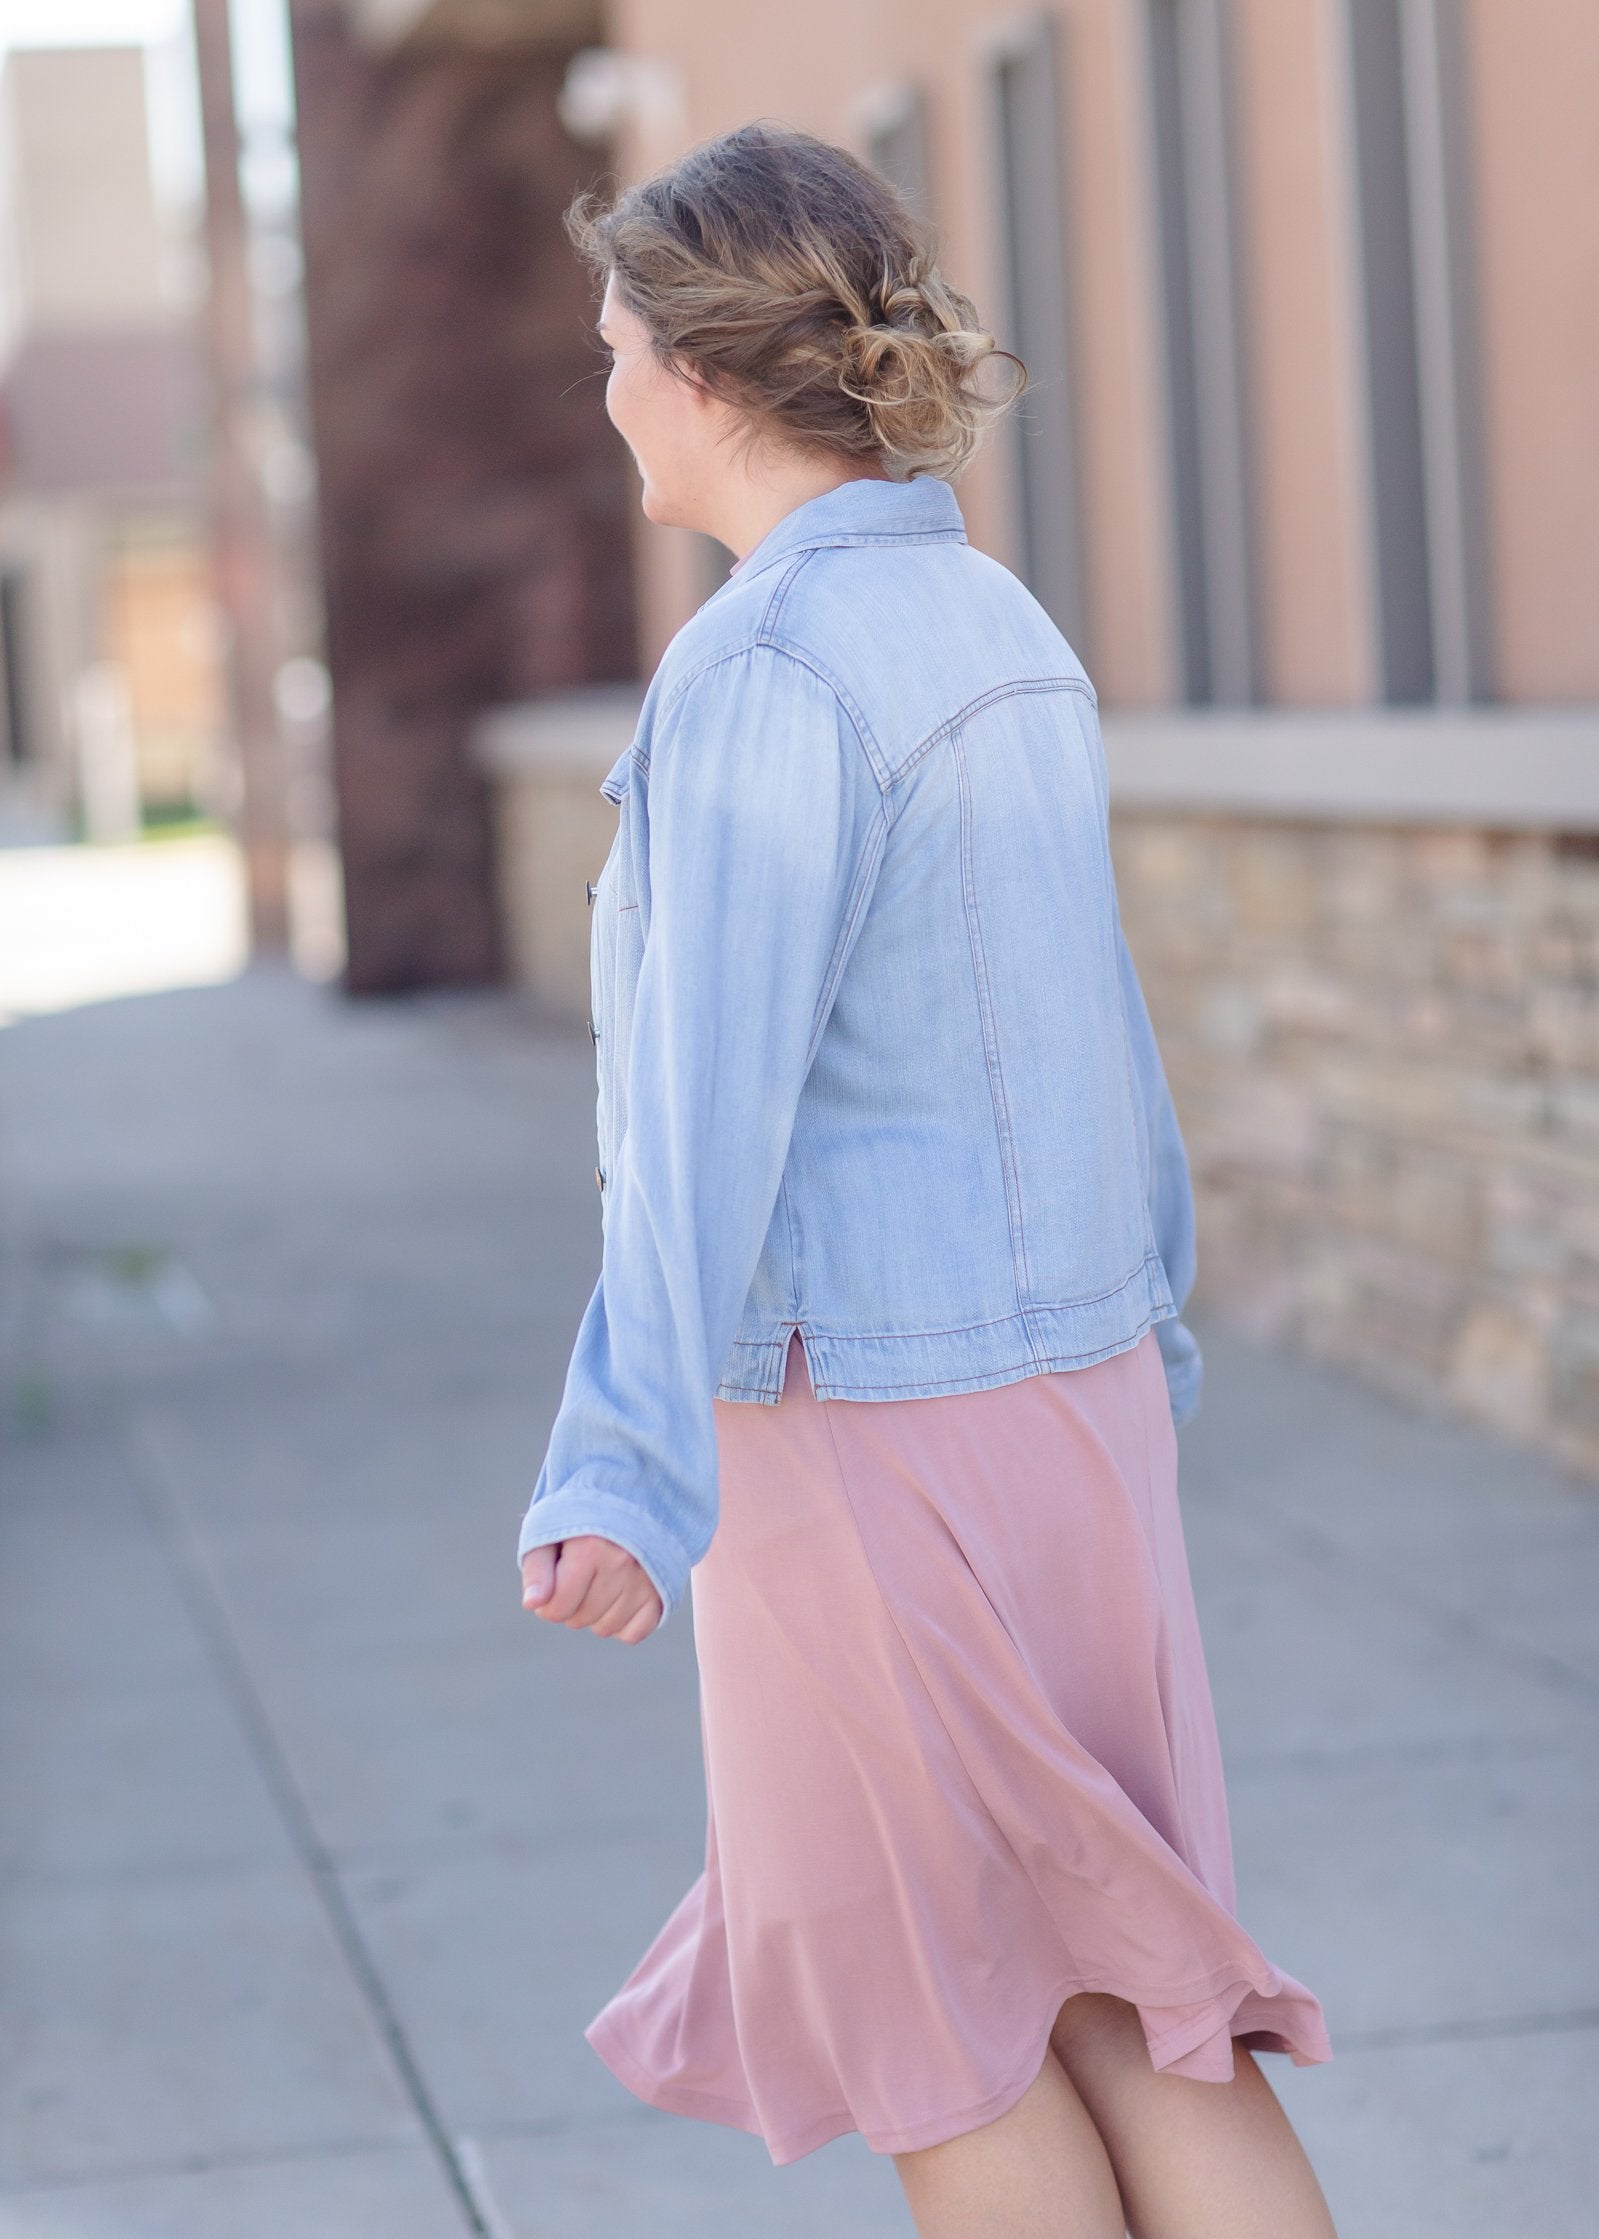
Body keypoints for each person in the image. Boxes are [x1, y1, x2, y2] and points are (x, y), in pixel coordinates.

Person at [516, 119, 1337, 2239]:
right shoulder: (995, 625)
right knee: (1113, 2004)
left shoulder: (763, 674)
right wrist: (1138, 1351)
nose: (601, 386)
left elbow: (705, 1122)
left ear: (700, 375)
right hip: (1070, 1417)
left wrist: (620, 1467)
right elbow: (1106, 1056)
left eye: (614, 345)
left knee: (930, 2019)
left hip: (860, 1434)